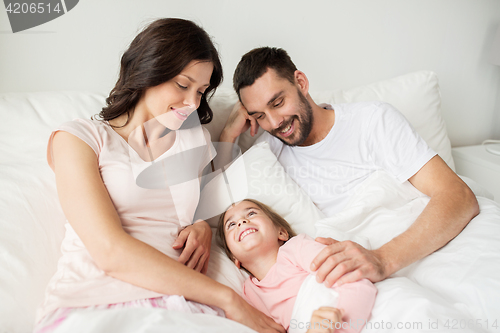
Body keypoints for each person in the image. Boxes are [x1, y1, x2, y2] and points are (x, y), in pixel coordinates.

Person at [34, 19, 284, 333]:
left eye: (201, 91)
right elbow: (109, 251)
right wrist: (229, 300)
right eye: (183, 85)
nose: (193, 103)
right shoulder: (79, 138)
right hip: (94, 301)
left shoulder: (193, 139)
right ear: (147, 70)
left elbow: (211, 203)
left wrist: (202, 226)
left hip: (181, 304)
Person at [219, 47, 479, 289]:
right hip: (370, 276)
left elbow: (459, 196)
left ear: (301, 83)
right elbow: (221, 202)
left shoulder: (373, 120)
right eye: (259, 115)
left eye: (277, 103)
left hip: (430, 243)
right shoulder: (271, 152)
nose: (275, 122)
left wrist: (383, 259)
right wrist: (229, 133)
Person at [216, 199, 377, 333]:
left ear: (282, 233)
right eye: (231, 224)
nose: (242, 222)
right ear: (234, 257)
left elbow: (356, 281)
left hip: (357, 315)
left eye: (251, 213)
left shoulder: (296, 248)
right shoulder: (249, 293)